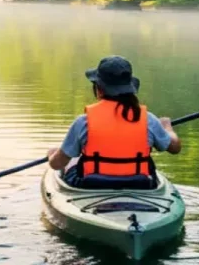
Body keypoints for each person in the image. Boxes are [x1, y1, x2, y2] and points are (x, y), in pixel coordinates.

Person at [47, 55, 182, 187]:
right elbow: (175, 148)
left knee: (72, 159)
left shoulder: (83, 122)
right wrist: (167, 128)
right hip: (139, 182)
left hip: (92, 184)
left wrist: (52, 155)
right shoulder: (149, 120)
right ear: (130, 88)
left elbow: (57, 164)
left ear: (99, 89)